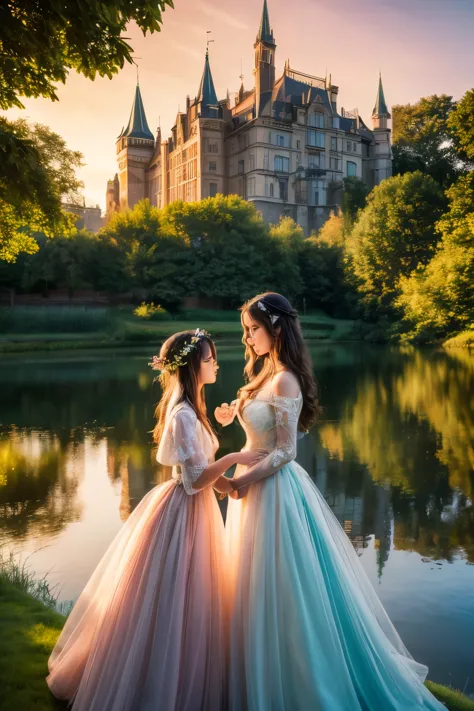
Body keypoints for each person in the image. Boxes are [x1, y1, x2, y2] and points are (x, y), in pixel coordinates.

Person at [216, 293, 445, 711]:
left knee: (284, 588)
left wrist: (242, 479)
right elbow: (261, 428)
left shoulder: (286, 378)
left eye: (253, 329)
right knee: (251, 585)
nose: (247, 339)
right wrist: (235, 412)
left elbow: (286, 452)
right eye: (245, 331)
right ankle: (257, 672)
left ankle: (299, 678)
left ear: (276, 328)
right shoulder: (266, 373)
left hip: (272, 492)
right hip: (250, 490)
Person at [47, 329, 261, 711]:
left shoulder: (192, 407)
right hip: (184, 513)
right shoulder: (181, 413)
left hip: (196, 509)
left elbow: (200, 467)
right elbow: (195, 479)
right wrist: (233, 461)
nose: (215, 364)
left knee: (191, 599)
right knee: (175, 599)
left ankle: (182, 678)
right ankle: (158, 685)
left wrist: (228, 484)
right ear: (194, 364)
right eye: (210, 359)